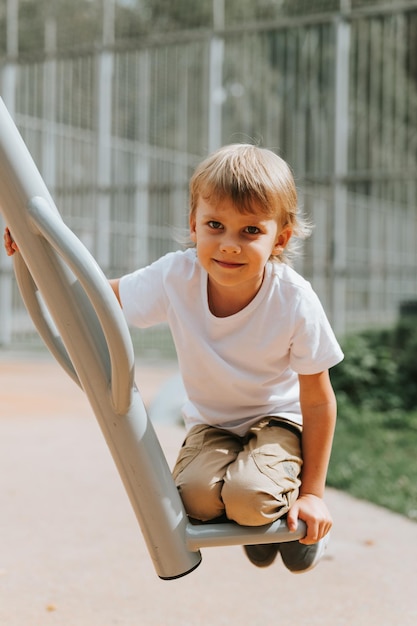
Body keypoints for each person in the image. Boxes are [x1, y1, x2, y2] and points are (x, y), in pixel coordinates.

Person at [4, 143, 343, 573]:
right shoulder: (177, 276)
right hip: (212, 422)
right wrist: (40, 257)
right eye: (215, 225)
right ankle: (260, 514)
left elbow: (317, 400)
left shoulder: (293, 300)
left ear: (281, 237)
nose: (229, 245)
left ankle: (281, 517)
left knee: (249, 497)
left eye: (250, 231)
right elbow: (96, 300)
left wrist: (313, 493)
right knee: (195, 500)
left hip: (275, 421)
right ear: (194, 225)